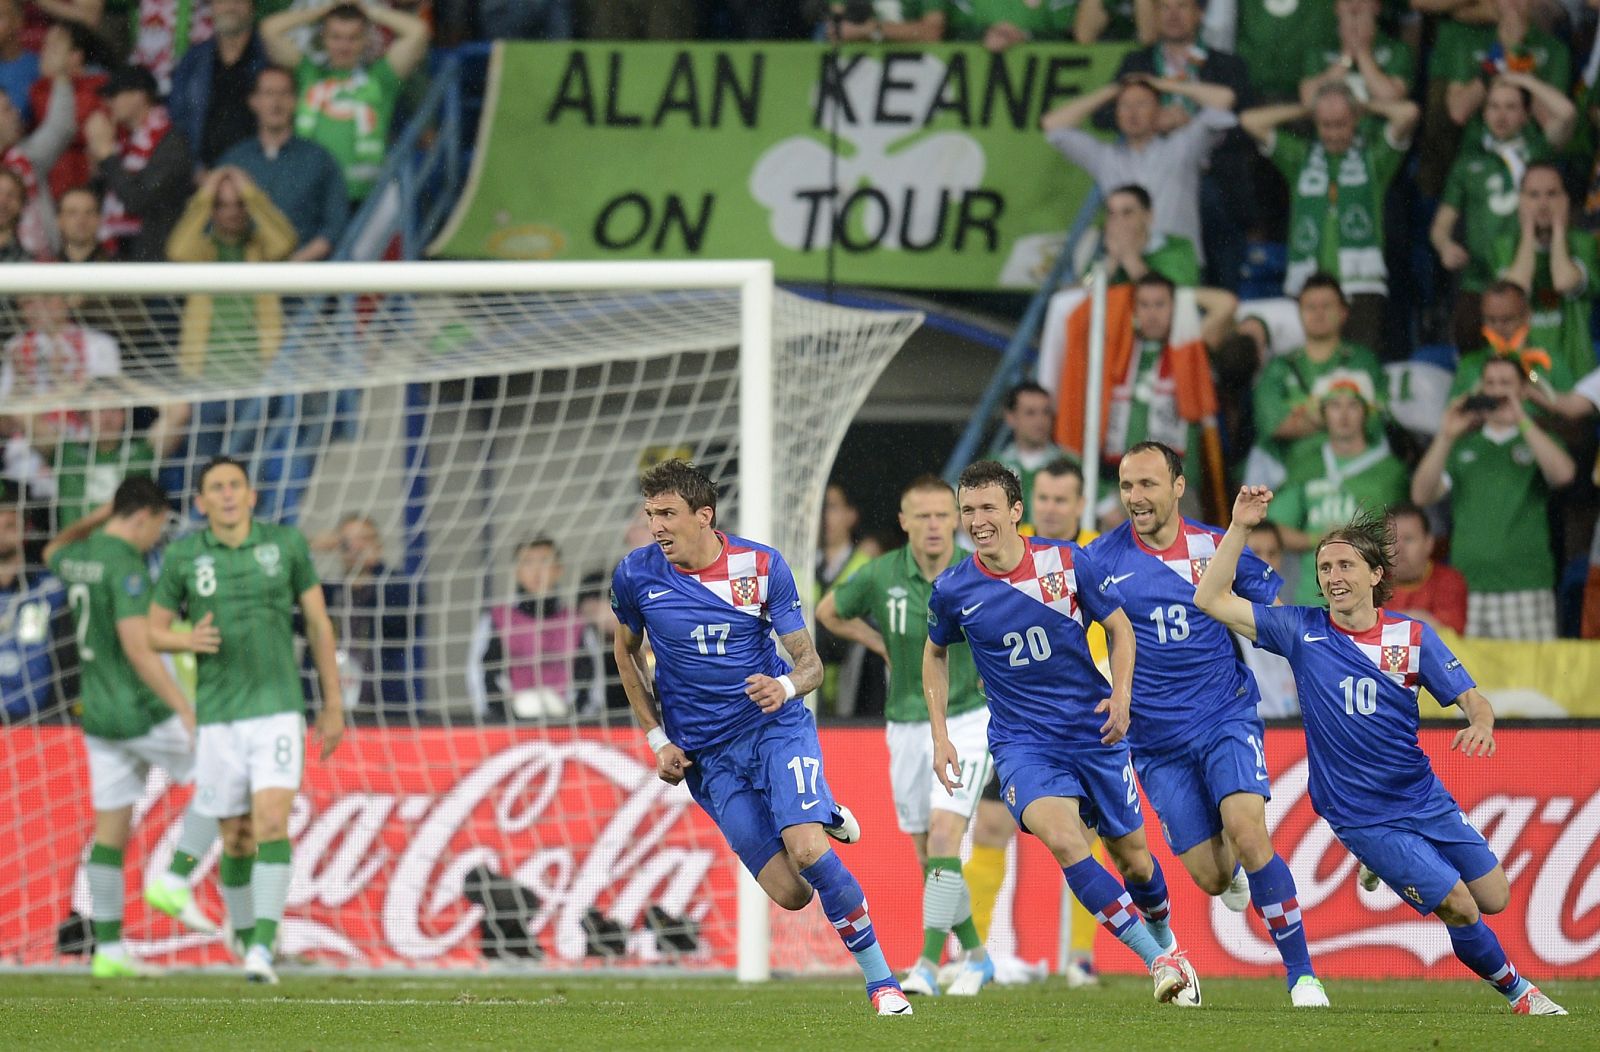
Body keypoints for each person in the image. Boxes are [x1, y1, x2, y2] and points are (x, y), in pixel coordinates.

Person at [1195, 490, 1567, 1017]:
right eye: (1324, 567)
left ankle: (1379, 864)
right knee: (1460, 907)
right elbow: (1210, 599)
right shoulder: (1301, 629)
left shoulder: (1410, 637)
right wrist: (1237, 527)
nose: (1332, 575)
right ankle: (1520, 994)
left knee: (1494, 896)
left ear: (1374, 574)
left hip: (1421, 794)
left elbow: (1472, 699)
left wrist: (1481, 722)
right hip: (1359, 811)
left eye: (1345, 564)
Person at [610, 459, 912, 1017]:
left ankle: (883, 983)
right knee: (792, 895)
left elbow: (811, 667)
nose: (656, 526)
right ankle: (819, 810)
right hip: (707, 757)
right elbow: (625, 653)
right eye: (651, 514)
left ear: (704, 516)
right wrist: (656, 739)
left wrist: (783, 685)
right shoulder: (636, 574)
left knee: (807, 850)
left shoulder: (761, 566)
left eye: (668, 514)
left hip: (773, 727)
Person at [923, 459, 1200, 1006]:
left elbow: (1120, 629)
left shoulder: (1070, 563)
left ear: (1015, 512)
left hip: (1094, 732)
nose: (976, 520)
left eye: (987, 508)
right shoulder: (953, 588)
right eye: (968, 510)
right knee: (1066, 840)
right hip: (1023, 743)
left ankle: (1167, 939)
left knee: (1135, 860)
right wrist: (940, 735)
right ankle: (1158, 961)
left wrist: (1121, 695)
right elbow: (935, 654)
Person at [1086, 441, 1326, 1005]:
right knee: (1213, 878)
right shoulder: (1098, 559)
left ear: (1177, 486)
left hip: (1223, 716)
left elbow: (1272, 608)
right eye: (1125, 486)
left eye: (1147, 484)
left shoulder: (1217, 546)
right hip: (1155, 742)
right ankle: (1230, 880)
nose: (1135, 498)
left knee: (1248, 830)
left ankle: (1303, 976)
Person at [148, 455, 345, 983]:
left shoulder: (286, 546)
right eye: (217, 487)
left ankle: (262, 947)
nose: (229, 494)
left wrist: (333, 704)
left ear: (252, 495)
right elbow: (151, 631)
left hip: (278, 710)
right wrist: (185, 639)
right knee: (234, 836)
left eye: (236, 485)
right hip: (218, 716)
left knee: (271, 823)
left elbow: (319, 624)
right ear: (200, 502)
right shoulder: (185, 556)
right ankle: (241, 930)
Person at [817, 476, 995, 997]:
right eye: (924, 516)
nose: (935, 525)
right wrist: (879, 644)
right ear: (905, 522)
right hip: (904, 721)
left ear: (957, 519)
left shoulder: (976, 570)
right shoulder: (881, 573)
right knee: (928, 853)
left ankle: (925, 964)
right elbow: (829, 612)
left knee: (944, 837)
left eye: (944, 515)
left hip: (966, 717)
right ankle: (978, 957)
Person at [42, 478, 222, 978]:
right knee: (228, 781)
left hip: (97, 715)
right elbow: (139, 648)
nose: (156, 539)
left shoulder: (79, 555)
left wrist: (98, 517)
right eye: (159, 526)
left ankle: (109, 951)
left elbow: (53, 547)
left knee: (110, 834)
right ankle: (175, 881)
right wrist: (183, 708)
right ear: (143, 516)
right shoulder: (126, 565)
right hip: (141, 710)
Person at [1241, 83, 1419, 355]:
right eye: (1325, 125)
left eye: (1341, 124)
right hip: (1307, 283)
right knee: (1309, 361)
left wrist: (1366, 106)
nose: (1333, 133)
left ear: (1355, 121)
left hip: (1360, 284)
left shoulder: (1374, 158)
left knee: (1357, 362)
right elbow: (1250, 121)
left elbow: (1409, 113)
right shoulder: (1300, 157)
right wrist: (1305, 109)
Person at [1019, 455, 1108, 986]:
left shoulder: (1099, 552)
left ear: (1079, 504)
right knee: (988, 827)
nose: (1050, 509)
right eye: (1043, 498)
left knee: (1090, 834)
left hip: (1087, 716)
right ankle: (978, 956)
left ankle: (1079, 956)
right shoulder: (1009, 549)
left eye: (1061, 499)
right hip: (1020, 719)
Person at [1411, 358, 1574, 640]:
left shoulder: (1537, 440)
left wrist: (1522, 420)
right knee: (1471, 681)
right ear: (1479, 390)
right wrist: (1446, 435)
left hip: (1525, 585)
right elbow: (1421, 495)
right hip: (1469, 585)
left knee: (1528, 681)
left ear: (1522, 390)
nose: (1498, 392)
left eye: (1506, 384)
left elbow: (1564, 475)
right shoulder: (1464, 445)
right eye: (1490, 384)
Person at [1433, 74, 1575, 344]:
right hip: (1477, 283)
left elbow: (1566, 113)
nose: (1501, 115)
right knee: (1475, 363)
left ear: (1525, 114)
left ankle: (1534, 385)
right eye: (1494, 106)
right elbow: (1441, 225)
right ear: (1484, 113)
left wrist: (1522, 79)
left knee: (1525, 366)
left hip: (1528, 281)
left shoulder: (1540, 150)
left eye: (1511, 107)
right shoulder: (1468, 161)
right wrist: (1444, 246)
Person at [1043, 74, 1236, 262]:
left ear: (1159, 111)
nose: (1132, 112)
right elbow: (1052, 124)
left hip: (1177, 263)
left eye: (1142, 104)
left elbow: (1224, 98)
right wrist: (1113, 90)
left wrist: (1162, 85)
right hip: (1123, 265)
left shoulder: (1181, 149)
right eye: (1125, 105)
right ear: (1116, 113)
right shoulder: (1105, 158)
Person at [260, 0, 432, 204]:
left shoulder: (381, 78)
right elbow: (269, 30)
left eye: (353, 38)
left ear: (366, 40)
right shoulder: (307, 73)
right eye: (336, 37)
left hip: (364, 197)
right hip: (312, 194)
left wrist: (366, 10)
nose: (344, 46)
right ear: (323, 38)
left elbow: (419, 31)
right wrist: (322, 11)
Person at [1268, 370, 1409, 604]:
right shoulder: (1307, 463)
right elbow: (1272, 529)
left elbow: (1401, 536)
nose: (1343, 415)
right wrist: (1318, 539)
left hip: (1367, 600)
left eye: (1353, 405)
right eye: (1334, 405)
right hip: (1311, 598)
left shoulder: (1390, 471)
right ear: (1323, 413)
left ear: (1366, 412)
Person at [1248, 273, 1386, 485]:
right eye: (1310, 307)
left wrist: (1305, 415)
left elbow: (1375, 419)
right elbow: (1273, 425)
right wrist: (1341, 416)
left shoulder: (1363, 361)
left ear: (1343, 312)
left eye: (1327, 306)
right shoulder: (1279, 366)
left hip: (1354, 465)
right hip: (1287, 470)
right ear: (1300, 313)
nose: (1318, 313)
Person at [166, 166, 298, 380]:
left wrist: (252, 195)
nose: (232, 212)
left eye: (240, 203)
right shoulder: (201, 253)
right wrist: (205, 196)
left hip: (260, 376)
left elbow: (285, 242)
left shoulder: (261, 250)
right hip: (203, 376)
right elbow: (176, 250)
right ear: (211, 209)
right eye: (221, 205)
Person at [218, 65, 349, 261]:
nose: (276, 102)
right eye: (268, 93)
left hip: (302, 280)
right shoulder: (234, 160)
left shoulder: (319, 159)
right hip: (244, 280)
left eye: (284, 94)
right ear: (253, 101)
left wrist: (294, 265)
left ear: (295, 101)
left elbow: (334, 226)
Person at [1492, 163, 1600, 383]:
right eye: (1533, 195)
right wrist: (1528, 233)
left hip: (1576, 375)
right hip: (1527, 375)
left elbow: (1564, 282)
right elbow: (1516, 292)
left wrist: (1559, 231)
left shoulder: (1584, 243)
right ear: (1520, 201)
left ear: (1566, 200)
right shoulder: (1504, 246)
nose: (1542, 204)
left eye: (1552, 194)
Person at [311, 513, 424, 720]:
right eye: (347, 541)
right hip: (329, 713)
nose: (356, 546)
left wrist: (376, 568)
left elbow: (402, 626)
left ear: (378, 545)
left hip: (383, 711)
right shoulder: (326, 593)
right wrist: (307, 550)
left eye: (364, 539)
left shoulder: (395, 588)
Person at [469, 537, 590, 721]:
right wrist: (502, 714)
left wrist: (573, 716)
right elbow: (481, 673)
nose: (536, 571)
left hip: (568, 728)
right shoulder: (496, 620)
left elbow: (590, 679)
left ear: (559, 569)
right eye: (527, 562)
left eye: (544, 561)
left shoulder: (577, 623)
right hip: (507, 725)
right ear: (516, 571)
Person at [85, 63, 193, 263]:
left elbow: (138, 199)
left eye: (115, 95)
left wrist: (108, 156)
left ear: (139, 96)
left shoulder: (171, 143)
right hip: (128, 254)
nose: (108, 103)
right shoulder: (127, 144)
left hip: (157, 260)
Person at [167, 0, 269, 168]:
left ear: (253, 7)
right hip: (204, 176)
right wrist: (194, 169)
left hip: (257, 173)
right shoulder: (194, 59)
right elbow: (178, 117)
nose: (230, 6)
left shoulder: (267, 56)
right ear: (211, 7)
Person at [1449, 279, 1569, 397]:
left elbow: (1570, 410)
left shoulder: (1546, 362)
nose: (1498, 327)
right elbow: (1453, 412)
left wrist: (1525, 370)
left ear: (1527, 315)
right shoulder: (1470, 366)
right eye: (1491, 320)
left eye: (1507, 319)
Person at [1298, 0, 1413, 106]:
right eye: (1347, 1)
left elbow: (1391, 98)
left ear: (1377, 6)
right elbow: (1309, 99)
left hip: (1376, 125)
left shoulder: (1397, 49)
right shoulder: (1319, 49)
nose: (1354, 7)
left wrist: (1363, 53)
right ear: (1337, 7)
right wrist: (1346, 56)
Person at [1241, 519, 1299, 717]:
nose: (1265, 562)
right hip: (1250, 729)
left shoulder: (1294, 618)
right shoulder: (1223, 619)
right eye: (1256, 553)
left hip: (1291, 730)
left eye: (1272, 553)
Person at [993, 381, 1070, 527]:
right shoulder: (992, 465)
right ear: (1010, 417)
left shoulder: (1071, 463)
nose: (1040, 420)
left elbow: (1111, 514)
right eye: (1030, 413)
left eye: (1046, 412)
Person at [1385, 502, 1468, 635]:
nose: (1398, 548)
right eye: (1390, 539)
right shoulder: (1369, 583)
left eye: (1408, 539)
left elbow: (1449, 635)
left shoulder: (1449, 581)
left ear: (1429, 543)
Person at [1098, 184, 1200, 287]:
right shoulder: (1100, 248)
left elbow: (1170, 299)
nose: (1117, 221)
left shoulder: (1178, 247)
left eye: (1127, 213)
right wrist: (1111, 261)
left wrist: (1129, 257)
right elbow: (1084, 297)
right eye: (1111, 213)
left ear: (1148, 216)